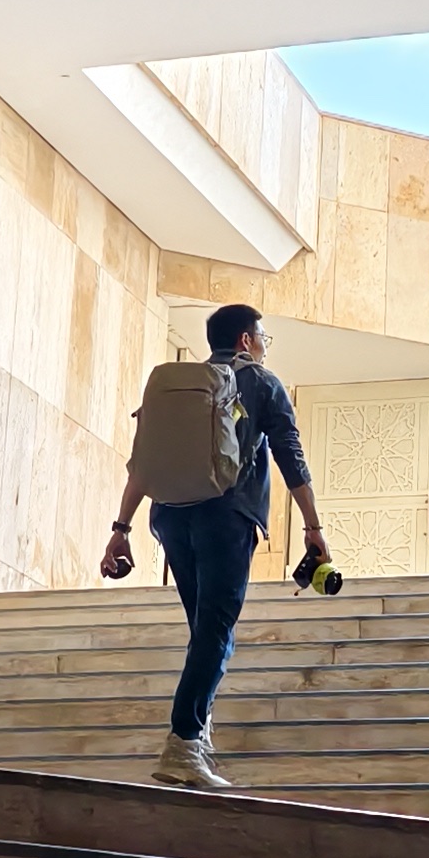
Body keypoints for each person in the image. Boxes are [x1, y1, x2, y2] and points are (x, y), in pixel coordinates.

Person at [100, 303, 330, 791]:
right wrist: (312, 527)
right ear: (247, 340)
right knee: (217, 633)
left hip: (170, 517)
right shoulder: (261, 383)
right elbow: (290, 457)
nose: (264, 345)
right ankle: (183, 743)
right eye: (263, 336)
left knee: (204, 631)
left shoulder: (183, 388)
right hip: (226, 518)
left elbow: (142, 462)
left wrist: (121, 528)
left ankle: (197, 732)